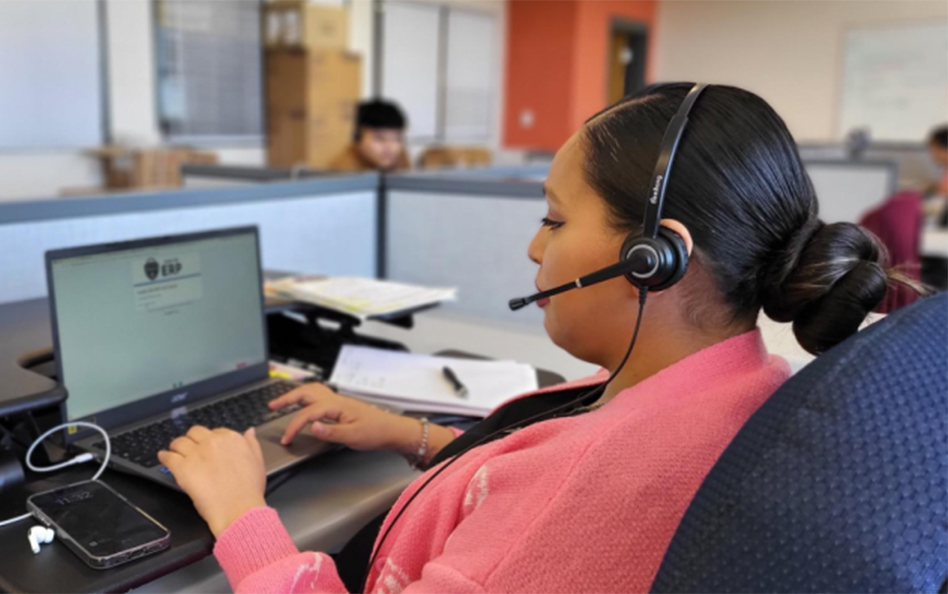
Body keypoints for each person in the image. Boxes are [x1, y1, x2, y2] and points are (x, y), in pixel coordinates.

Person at [157, 84, 918, 593]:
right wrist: (412, 435)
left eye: (554, 220)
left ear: (653, 258)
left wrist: (241, 515)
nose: (533, 250)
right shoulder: (742, 383)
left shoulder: (582, 493)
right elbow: (545, 453)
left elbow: (549, 506)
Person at [328, 99, 411, 173]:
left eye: (397, 139)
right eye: (379, 138)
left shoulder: (400, 159)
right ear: (358, 139)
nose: (389, 146)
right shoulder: (343, 170)